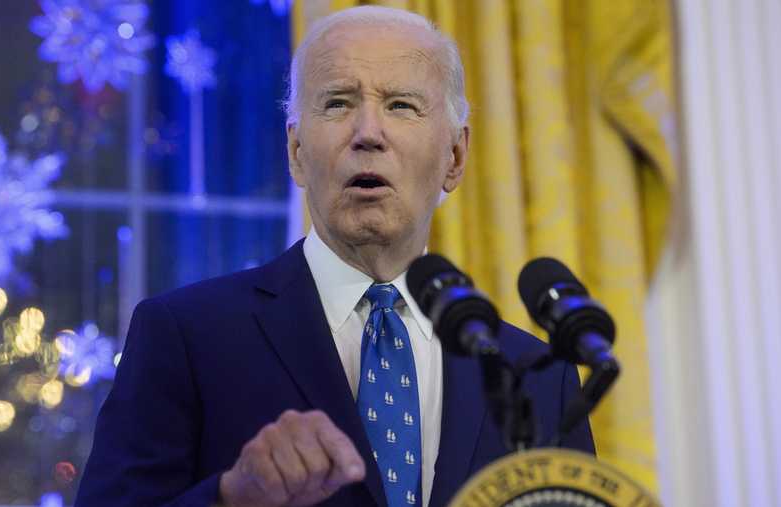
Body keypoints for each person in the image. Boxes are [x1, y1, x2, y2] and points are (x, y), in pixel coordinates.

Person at [75, 6, 594, 507]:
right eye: (338, 103)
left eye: (401, 105)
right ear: (297, 152)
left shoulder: (539, 377)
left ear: (454, 157)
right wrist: (231, 499)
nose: (368, 134)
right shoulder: (185, 336)